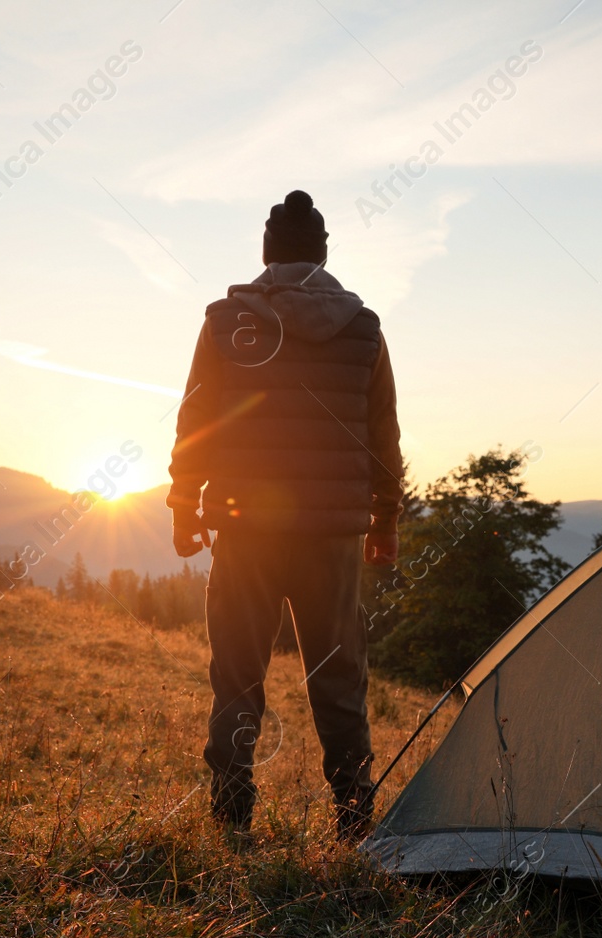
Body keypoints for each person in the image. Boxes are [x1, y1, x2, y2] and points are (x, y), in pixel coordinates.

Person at [168, 189, 403, 843]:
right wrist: (385, 522)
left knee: (237, 673)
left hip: (245, 529)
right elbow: (382, 434)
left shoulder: (226, 323)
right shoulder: (363, 328)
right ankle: (355, 816)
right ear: (323, 254)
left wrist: (185, 504)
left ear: (267, 252)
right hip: (332, 534)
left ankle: (231, 814)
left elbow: (198, 419)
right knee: (339, 675)